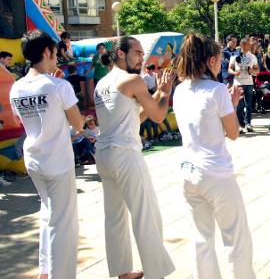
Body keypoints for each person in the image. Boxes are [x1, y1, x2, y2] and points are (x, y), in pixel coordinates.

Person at [173, 33, 256, 279]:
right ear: (210, 61)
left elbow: (201, 126)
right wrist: (230, 104)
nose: (221, 64)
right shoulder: (217, 90)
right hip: (216, 173)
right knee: (236, 238)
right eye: (219, 60)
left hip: (189, 171)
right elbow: (232, 133)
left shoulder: (179, 90)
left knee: (202, 240)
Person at [94, 36, 176, 279]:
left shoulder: (102, 83)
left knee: (115, 216)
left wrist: (158, 92)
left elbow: (132, 117)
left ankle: (123, 271)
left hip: (105, 154)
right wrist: (164, 91)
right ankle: (155, 272)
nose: (142, 58)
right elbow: (159, 115)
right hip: (125, 155)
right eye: (138, 53)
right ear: (121, 53)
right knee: (145, 213)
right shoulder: (133, 80)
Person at [9, 30, 84, 279]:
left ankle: (45, 269)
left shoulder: (17, 87)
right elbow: (79, 123)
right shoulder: (58, 86)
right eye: (55, 53)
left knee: (48, 212)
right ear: (46, 52)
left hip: (33, 158)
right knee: (63, 222)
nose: (57, 57)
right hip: (58, 160)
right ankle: (59, 274)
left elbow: (19, 120)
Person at [229, 38, 259, 133]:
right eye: (248, 45)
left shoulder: (252, 57)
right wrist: (234, 72)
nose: (250, 46)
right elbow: (229, 69)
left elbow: (257, 70)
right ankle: (240, 125)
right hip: (238, 83)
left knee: (249, 104)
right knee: (240, 105)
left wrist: (252, 71)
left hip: (249, 83)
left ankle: (248, 123)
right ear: (242, 45)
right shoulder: (234, 56)